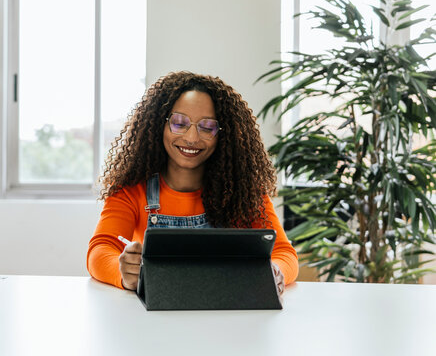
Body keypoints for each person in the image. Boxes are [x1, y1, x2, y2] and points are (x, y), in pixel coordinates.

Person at [87, 71, 298, 294]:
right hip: (155, 317)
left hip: (225, 311)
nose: (192, 138)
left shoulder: (245, 193)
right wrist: (124, 273)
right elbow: (100, 249)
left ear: (223, 135)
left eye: (207, 127)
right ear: (160, 124)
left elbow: (284, 253)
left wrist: (274, 271)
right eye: (179, 123)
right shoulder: (131, 191)